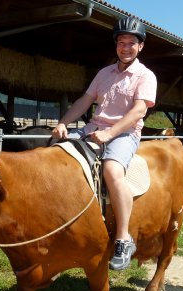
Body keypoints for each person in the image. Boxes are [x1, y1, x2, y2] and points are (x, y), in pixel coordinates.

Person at [51, 16, 157, 270]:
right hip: (93, 129)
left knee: (112, 169)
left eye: (131, 43)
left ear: (140, 46)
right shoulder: (104, 73)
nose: (126, 47)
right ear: (116, 45)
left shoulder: (145, 76)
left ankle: (123, 237)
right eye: (121, 42)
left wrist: (110, 135)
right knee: (54, 154)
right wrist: (63, 123)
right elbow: (84, 102)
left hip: (124, 134)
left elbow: (138, 111)